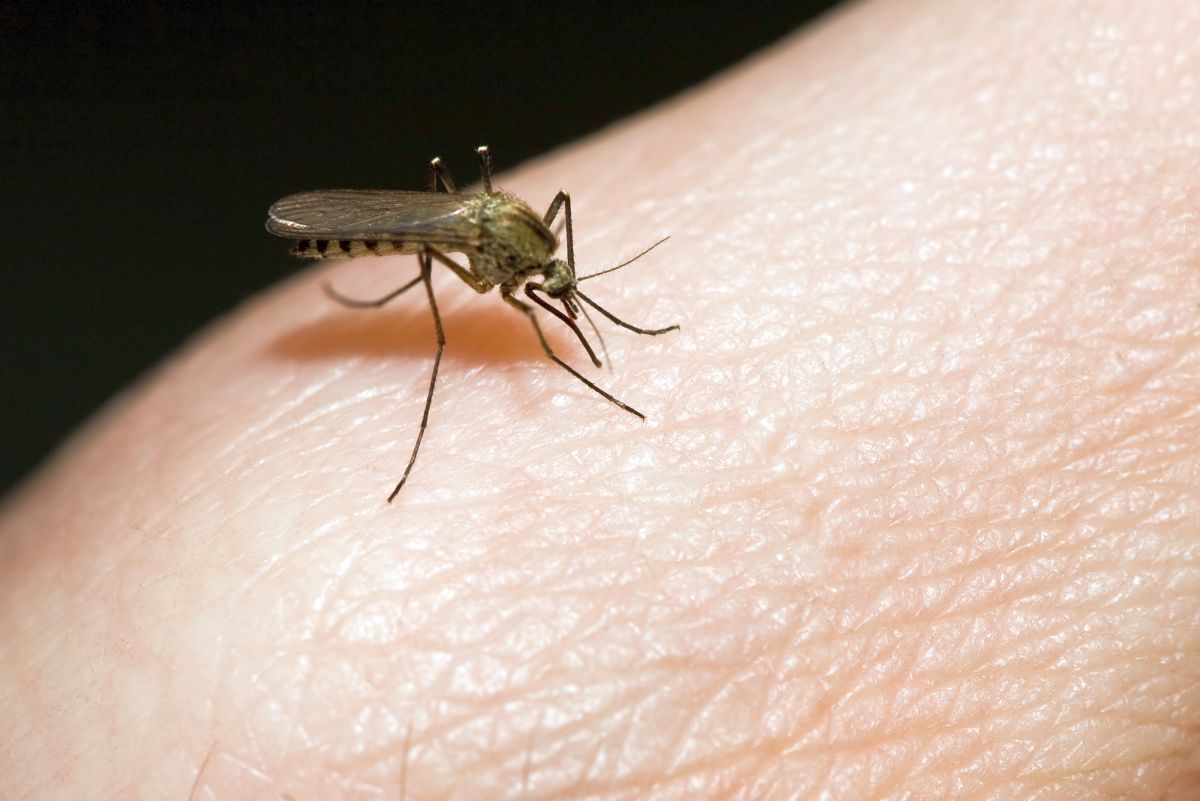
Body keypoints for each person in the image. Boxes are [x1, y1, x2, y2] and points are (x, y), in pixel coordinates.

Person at [3, 2, 1198, 798]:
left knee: (519, 250)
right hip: (418, 228)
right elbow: (500, 268)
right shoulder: (489, 247)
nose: (553, 290)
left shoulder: (536, 246)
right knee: (449, 264)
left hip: (468, 226)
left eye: (560, 286)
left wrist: (591, 306)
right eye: (559, 287)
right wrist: (456, 297)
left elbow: (544, 268)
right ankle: (404, 341)